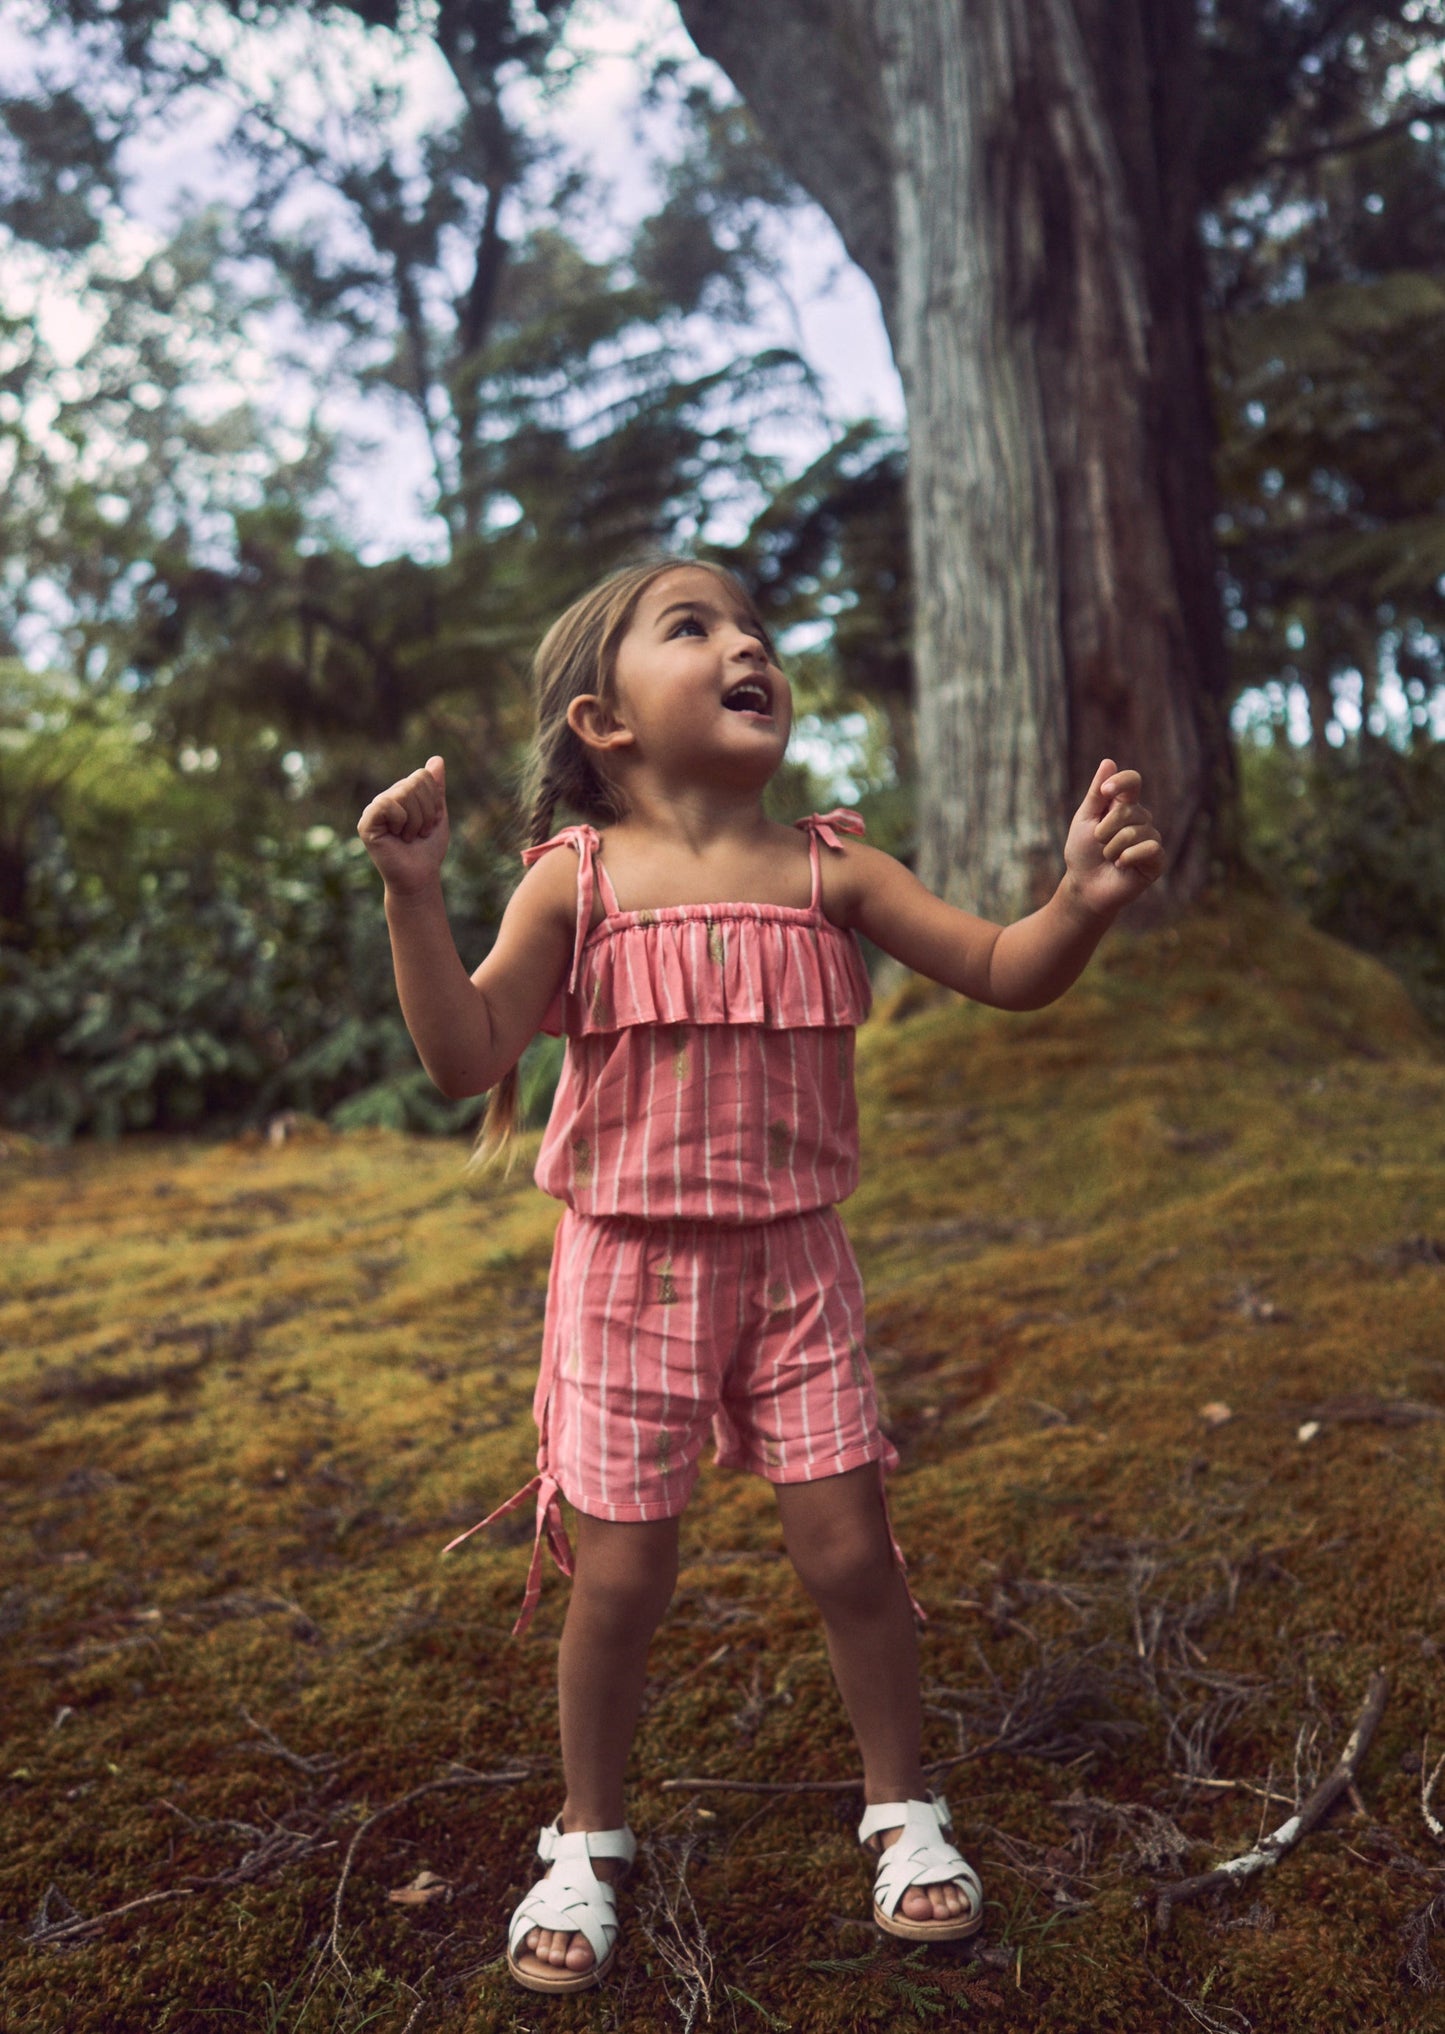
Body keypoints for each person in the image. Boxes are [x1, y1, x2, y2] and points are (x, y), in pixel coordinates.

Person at [357, 557, 1164, 1995]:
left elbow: (1001, 964)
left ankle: (903, 1808)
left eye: (756, 633)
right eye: (696, 627)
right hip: (623, 1279)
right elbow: (464, 1055)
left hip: (798, 1269)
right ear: (604, 721)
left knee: (850, 1551)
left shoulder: (830, 866)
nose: (746, 647)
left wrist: (1081, 897)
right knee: (621, 1574)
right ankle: (589, 1834)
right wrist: (413, 896)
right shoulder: (575, 882)